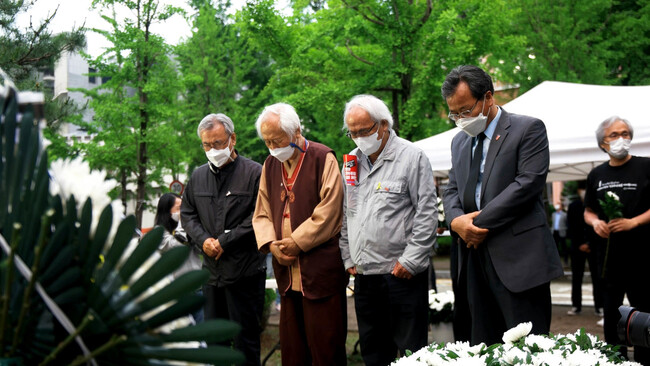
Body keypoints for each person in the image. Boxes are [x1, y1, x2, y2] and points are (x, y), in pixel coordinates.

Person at [441, 65, 563, 346]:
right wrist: (457, 222)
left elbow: (527, 185)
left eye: (465, 110)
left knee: (527, 347)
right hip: (472, 258)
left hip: (517, 257)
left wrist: (475, 224)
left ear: (488, 97)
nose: (460, 119)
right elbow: (452, 189)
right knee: (481, 342)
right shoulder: (460, 141)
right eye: (454, 114)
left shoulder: (527, 128)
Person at [339, 94, 437, 365]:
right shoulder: (350, 163)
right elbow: (348, 213)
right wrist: (348, 257)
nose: (358, 137)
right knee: (373, 352)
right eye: (352, 132)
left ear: (383, 125)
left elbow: (427, 214)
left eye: (364, 130)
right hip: (365, 275)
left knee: (411, 354)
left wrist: (411, 261)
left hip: (402, 275)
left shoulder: (412, 156)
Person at [252, 103, 348, 366]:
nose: (272, 147)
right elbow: (261, 211)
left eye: (277, 140)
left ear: (295, 132)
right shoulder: (270, 164)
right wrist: (272, 244)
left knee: (325, 347)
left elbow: (330, 211)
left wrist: (296, 242)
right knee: (293, 350)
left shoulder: (322, 157)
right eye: (267, 142)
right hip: (287, 273)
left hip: (320, 272)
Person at [181, 113, 266, 366]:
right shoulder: (197, 177)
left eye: (218, 143)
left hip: (245, 272)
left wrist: (225, 241)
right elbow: (188, 214)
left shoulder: (255, 173)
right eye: (207, 144)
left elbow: (259, 216)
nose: (212, 149)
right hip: (212, 275)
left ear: (232, 139)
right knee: (214, 343)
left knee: (245, 343)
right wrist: (204, 240)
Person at [583, 116, 650, 364]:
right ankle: (616, 360)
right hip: (609, 259)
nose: (621, 139)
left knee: (643, 314)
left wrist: (635, 222)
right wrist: (595, 222)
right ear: (603, 143)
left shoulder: (646, 166)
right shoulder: (596, 174)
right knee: (611, 316)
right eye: (614, 135)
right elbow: (588, 210)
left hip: (642, 257)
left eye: (625, 133)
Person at [154, 192, 204, 323]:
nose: (184, 211)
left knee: (201, 336)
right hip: (176, 293)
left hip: (197, 289)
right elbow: (179, 246)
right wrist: (184, 222)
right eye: (179, 208)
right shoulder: (159, 233)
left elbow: (201, 250)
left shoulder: (188, 230)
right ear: (167, 211)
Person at [566, 181, 603, 316]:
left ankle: (599, 306)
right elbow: (571, 227)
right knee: (576, 277)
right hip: (577, 247)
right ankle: (576, 305)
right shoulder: (573, 206)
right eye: (582, 189)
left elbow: (598, 227)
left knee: (597, 277)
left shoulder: (597, 205)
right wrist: (579, 244)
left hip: (594, 247)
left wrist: (590, 244)